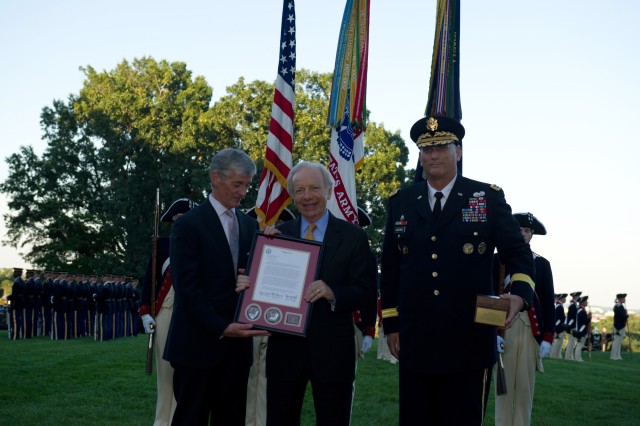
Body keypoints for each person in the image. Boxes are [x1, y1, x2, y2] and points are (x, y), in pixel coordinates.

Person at [379, 115, 535, 425]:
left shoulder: (486, 198)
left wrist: (518, 295)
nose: (433, 155)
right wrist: (392, 325)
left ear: (458, 152)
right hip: (416, 340)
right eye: (426, 149)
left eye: (441, 146)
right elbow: (392, 269)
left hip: (469, 340)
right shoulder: (401, 203)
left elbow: (518, 252)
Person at [239, 161, 375, 426]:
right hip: (285, 351)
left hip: (334, 350)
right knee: (279, 419)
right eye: (299, 190)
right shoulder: (277, 236)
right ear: (292, 195)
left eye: (314, 188)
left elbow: (366, 291)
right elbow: (259, 286)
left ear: (328, 190)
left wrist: (333, 292)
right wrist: (262, 254)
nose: (307, 196)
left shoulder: (354, 236)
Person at [164, 148, 270, 425]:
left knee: (232, 419)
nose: (244, 192)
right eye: (238, 184)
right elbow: (188, 289)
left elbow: (255, 276)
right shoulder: (189, 225)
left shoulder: (249, 225)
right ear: (215, 178)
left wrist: (274, 246)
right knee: (191, 418)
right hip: (196, 346)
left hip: (236, 353)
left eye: (247, 185)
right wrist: (222, 327)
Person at [494, 212, 555, 426]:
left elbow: (548, 303)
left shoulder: (542, 264)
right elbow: (490, 297)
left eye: (527, 231)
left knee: (524, 389)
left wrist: (547, 338)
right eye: (518, 230)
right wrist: (492, 334)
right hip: (504, 330)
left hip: (531, 332)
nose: (522, 234)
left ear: (532, 235)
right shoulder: (497, 261)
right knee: (503, 389)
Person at [140, 198, 195, 426]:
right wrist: (145, 313)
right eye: (180, 219)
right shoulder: (162, 246)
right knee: (165, 372)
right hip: (165, 312)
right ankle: (163, 420)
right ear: (173, 221)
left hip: (193, 316)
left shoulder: (201, 244)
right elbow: (149, 280)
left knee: (189, 373)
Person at [243, 206, 295, 426]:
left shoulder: (291, 252)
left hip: (278, 321)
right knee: (246, 378)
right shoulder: (244, 247)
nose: (270, 229)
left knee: (270, 380)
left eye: (277, 226)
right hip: (248, 318)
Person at [571, 296, 590, 362]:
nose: (587, 302)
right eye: (586, 301)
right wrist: (589, 318)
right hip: (581, 330)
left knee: (579, 345)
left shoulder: (579, 310)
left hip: (579, 329)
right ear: (582, 302)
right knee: (579, 345)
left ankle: (578, 358)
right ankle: (578, 358)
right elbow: (585, 322)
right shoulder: (582, 311)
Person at [611, 293, 629, 360]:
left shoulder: (620, 306)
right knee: (616, 342)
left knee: (619, 342)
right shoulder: (618, 307)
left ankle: (618, 355)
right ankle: (613, 356)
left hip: (620, 325)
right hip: (618, 326)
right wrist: (627, 314)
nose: (625, 299)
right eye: (623, 298)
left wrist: (625, 313)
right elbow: (623, 316)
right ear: (620, 299)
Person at [564, 291, 582, 360]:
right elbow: (572, 318)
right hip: (572, 327)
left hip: (572, 326)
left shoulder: (573, 305)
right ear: (576, 297)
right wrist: (570, 327)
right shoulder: (573, 306)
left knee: (572, 342)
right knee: (571, 343)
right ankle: (568, 357)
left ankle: (570, 356)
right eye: (578, 297)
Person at [550, 293, 568, 359]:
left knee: (558, 344)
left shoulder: (558, 306)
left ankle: (556, 356)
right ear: (561, 298)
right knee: (557, 343)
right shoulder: (559, 307)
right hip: (559, 328)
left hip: (559, 327)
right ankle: (554, 356)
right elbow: (558, 320)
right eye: (564, 298)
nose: (565, 299)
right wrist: (557, 330)